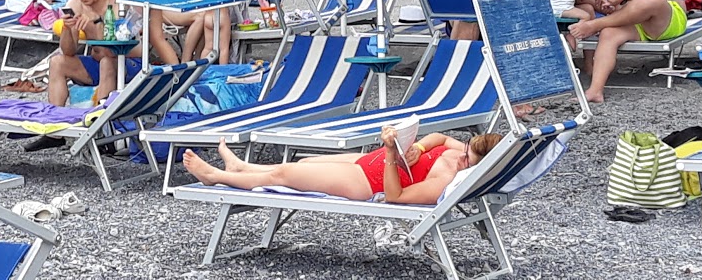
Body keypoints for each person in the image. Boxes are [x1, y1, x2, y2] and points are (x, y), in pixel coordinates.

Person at [183, 129, 503, 202]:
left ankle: (215, 176)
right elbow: (440, 138)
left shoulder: (445, 179)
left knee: (287, 174)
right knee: (304, 162)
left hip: (366, 182)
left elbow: (395, 198)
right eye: (467, 150)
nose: (461, 155)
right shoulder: (464, 153)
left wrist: (392, 154)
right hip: (366, 162)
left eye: (468, 160)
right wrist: (417, 146)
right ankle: (242, 168)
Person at [41, 0, 123, 110]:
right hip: (97, 65)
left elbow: (112, 52)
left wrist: (94, 25)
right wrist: (67, 28)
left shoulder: (117, 5)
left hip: (125, 63)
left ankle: (98, 123)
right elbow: (68, 51)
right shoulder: (74, 4)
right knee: (57, 62)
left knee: (106, 62)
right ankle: (54, 120)